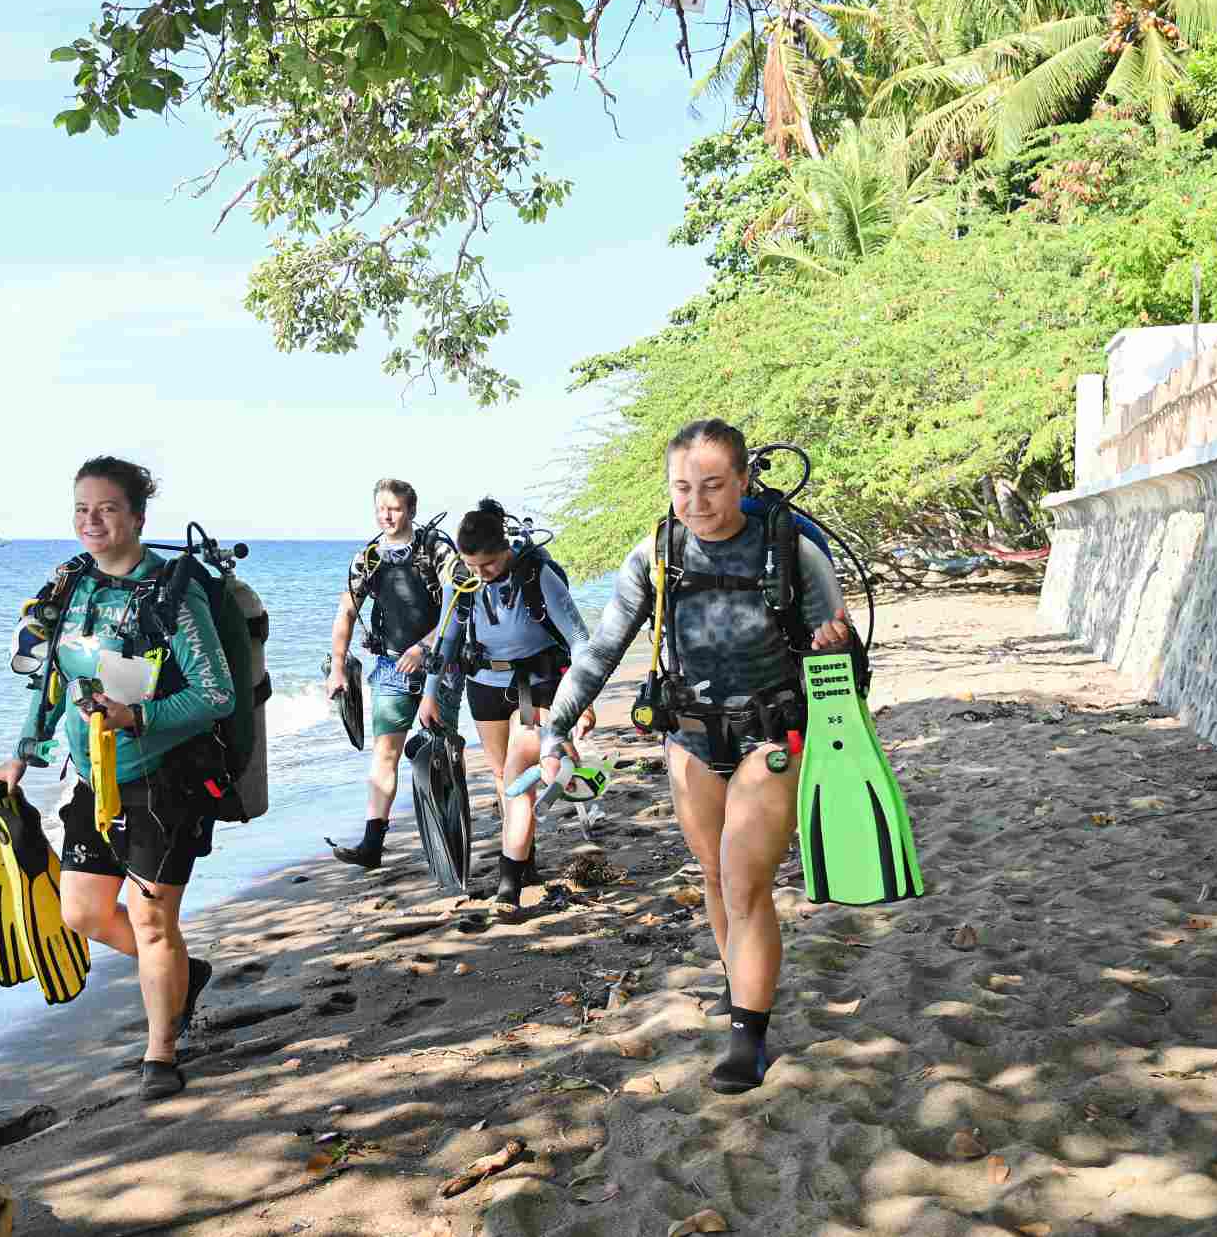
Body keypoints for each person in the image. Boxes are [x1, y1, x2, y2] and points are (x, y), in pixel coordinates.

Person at [536, 419, 854, 1095]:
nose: (697, 501)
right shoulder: (658, 552)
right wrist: (558, 723)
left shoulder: (789, 549)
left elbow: (851, 669)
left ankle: (749, 1036)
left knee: (743, 881)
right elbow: (601, 648)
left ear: (743, 480)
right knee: (712, 875)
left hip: (771, 735)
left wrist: (839, 648)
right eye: (682, 486)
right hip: (686, 736)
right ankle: (742, 984)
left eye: (713, 485)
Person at [0, 456, 235, 1101]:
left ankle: (160, 1051)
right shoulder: (70, 588)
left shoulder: (173, 596)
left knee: (152, 925)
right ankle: (181, 972)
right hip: (91, 780)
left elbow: (217, 694)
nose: (91, 521)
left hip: (163, 783)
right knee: (83, 912)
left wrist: (138, 715)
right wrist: (23, 752)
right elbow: (51, 679)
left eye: (107, 509)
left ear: (138, 518)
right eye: (81, 509)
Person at [416, 498, 595, 908]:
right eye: (472, 566)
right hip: (484, 684)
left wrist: (583, 698)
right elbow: (444, 643)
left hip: (537, 682)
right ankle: (524, 857)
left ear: (505, 549)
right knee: (503, 777)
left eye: (489, 565)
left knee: (520, 769)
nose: (480, 575)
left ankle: (508, 881)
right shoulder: (462, 580)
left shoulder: (538, 574)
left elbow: (581, 640)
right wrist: (429, 694)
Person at [324, 479, 462, 870]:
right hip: (389, 666)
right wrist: (337, 665)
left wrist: (424, 648)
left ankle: (451, 835)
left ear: (411, 512)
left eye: (395, 508)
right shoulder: (367, 558)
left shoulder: (436, 549)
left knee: (442, 752)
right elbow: (346, 612)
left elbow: (458, 606)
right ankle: (372, 844)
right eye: (381, 508)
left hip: (440, 664)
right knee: (386, 752)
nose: (387, 515)